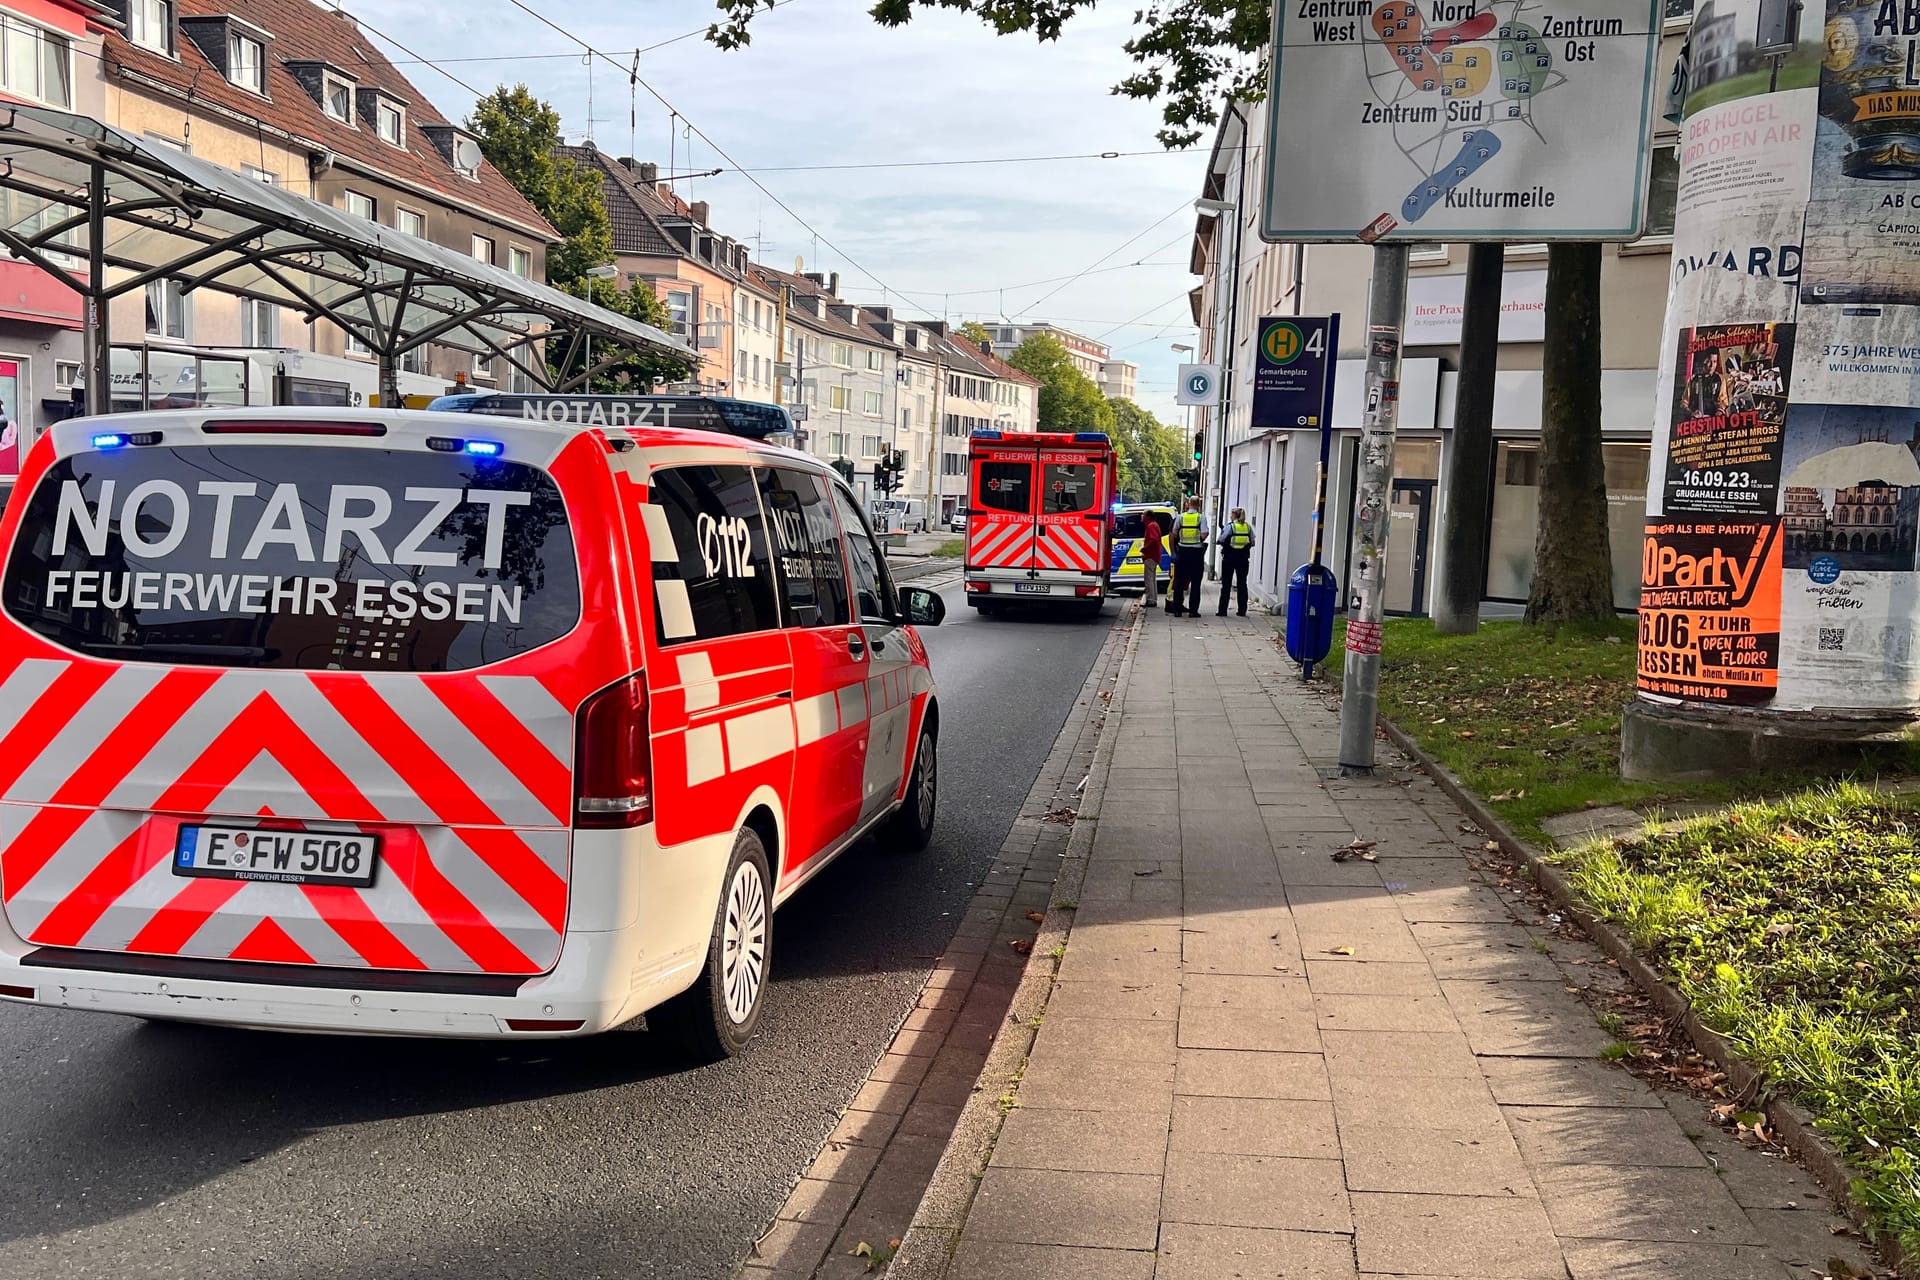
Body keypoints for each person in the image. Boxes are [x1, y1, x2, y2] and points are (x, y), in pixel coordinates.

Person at [1169, 495, 1209, 617]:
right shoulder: (1201, 517)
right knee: (1196, 582)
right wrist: (1197, 539)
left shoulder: (1181, 517)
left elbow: (1174, 533)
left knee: (1179, 581)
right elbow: (1204, 533)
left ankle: (1177, 610)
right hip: (1196, 553)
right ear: (1198, 505)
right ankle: (1193, 611)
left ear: (1189, 504)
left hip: (1182, 552)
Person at [1216, 506, 1254, 617]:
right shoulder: (1248, 527)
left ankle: (1222, 610)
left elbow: (1221, 539)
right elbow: (1252, 542)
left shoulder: (1230, 527)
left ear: (1234, 515)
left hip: (1229, 558)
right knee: (1242, 584)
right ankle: (1242, 610)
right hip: (1243, 559)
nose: (1230, 516)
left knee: (1226, 585)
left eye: (1231, 514)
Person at [1139, 513, 1164, 609]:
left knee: (1148, 578)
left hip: (1151, 555)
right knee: (1152, 578)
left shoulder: (1151, 526)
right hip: (1154, 555)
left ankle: (1151, 600)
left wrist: (1145, 549)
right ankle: (1152, 599)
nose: (1142, 517)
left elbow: (1153, 540)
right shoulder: (1154, 525)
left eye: (1143, 515)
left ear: (1148, 517)